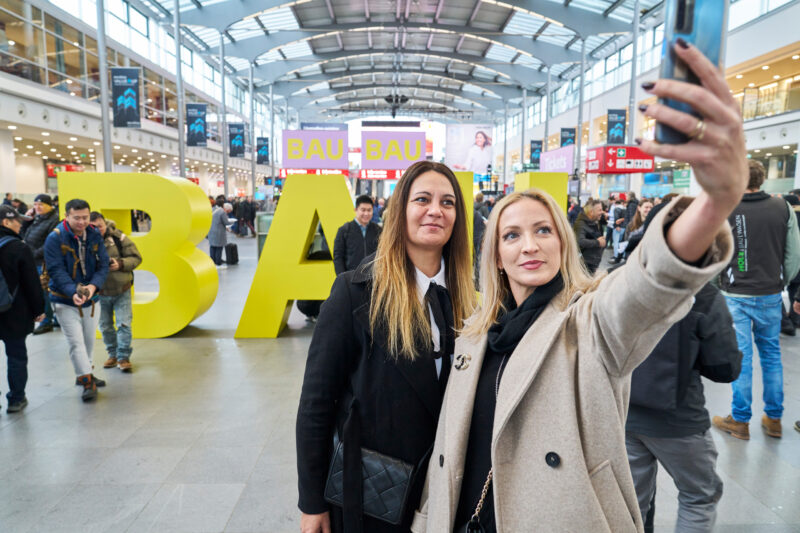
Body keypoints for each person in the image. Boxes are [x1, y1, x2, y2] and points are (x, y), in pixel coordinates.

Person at [412, 41, 746, 532]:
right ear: (496, 256)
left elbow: (646, 287)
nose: (530, 245)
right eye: (512, 235)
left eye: (543, 230)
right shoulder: (476, 332)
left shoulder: (589, 324)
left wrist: (714, 204)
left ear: (563, 243)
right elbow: (448, 448)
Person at [296, 161, 477, 533]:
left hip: (446, 494)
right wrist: (312, 501)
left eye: (447, 202)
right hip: (372, 495)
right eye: (422, 199)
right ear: (400, 211)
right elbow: (316, 402)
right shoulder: (355, 292)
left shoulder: (471, 301)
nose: (435, 210)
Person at [622, 201, 742, 533]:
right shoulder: (703, 296)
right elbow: (725, 367)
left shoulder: (621, 280)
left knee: (631, 502)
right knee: (699, 496)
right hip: (680, 421)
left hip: (625, 413)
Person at [712, 159, 800, 440]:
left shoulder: (725, 209)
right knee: (771, 355)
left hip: (735, 294)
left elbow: (715, 252)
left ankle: (740, 420)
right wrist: (782, 281)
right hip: (770, 293)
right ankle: (774, 419)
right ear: (762, 180)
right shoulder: (783, 208)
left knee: (742, 357)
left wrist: (715, 285)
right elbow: (794, 255)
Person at [44, 198, 109, 402]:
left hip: (92, 300)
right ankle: (87, 382)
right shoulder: (54, 238)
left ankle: (85, 372)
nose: (82, 222)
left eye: (85, 217)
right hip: (64, 300)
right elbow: (56, 270)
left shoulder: (94, 234)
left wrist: (93, 286)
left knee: (88, 340)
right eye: (77, 218)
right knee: (76, 342)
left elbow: (104, 264)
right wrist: (73, 291)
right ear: (66, 216)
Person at [0, 205, 45, 413]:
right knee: (16, 355)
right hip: (14, 312)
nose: (20, 225)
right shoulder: (18, 248)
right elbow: (31, 283)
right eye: (17, 221)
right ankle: (16, 399)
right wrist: (38, 309)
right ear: (6, 222)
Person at [90, 212, 142, 373]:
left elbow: (136, 258)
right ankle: (112, 355)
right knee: (105, 327)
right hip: (99, 293)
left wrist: (120, 264)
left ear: (105, 224)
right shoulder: (84, 242)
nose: (97, 230)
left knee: (123, 324)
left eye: (100, 226)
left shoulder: (119, 238)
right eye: (93, 227)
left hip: (122, 290)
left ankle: (123, 357)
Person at [20, 194, 60, 334]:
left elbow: (50, 243)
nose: (37, 207)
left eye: (41, 204)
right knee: (44, 290)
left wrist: (33, 254)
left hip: (43, 262)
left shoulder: (53, 220)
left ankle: (47, 321)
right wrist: (27, 220)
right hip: (33, 260)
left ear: (50, 206)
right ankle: (54, 318)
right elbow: (23, 234)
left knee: (44, 291)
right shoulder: (37, 218)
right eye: (35, 204)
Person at [332, 195, 382, 276]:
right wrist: (342, 277)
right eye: (363, 210)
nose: (366, 213)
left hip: (373, 277)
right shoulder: (344, 230)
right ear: (355, 210)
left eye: (369, 210)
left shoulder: (378, 230)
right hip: (351, 277)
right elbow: (338, 257)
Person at [572, 199, 605, 274]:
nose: (602, 212)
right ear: (591, 212)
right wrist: (598, 242)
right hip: (584, 266)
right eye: (599, 210)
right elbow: (579, 242)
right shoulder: (581, 224)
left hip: (591, 265)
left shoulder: (592, 221)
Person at [208, 197, 229, 268]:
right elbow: (226, 222)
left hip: (211, 231)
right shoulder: (222, 211)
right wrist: (231, 222)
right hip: (219, 232)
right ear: (222, 204)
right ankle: (218, 263)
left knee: (212, 246)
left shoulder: (211, 210)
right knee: (219, 247)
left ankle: (212, 262)